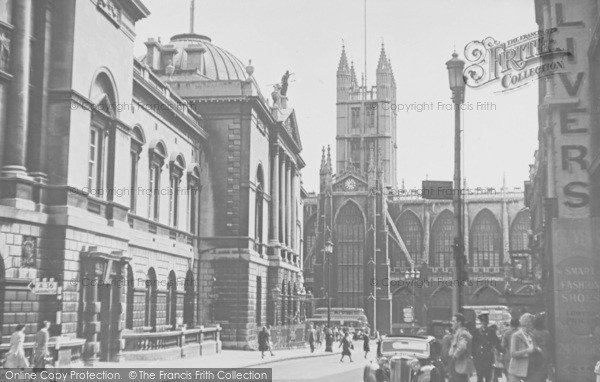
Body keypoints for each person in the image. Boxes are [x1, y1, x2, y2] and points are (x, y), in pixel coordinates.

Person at [507, 313, 539, 382]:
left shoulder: (532, 336)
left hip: (529, 370)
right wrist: (527, 351)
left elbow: (534, 349)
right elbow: (513, 353)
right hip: (516, 370)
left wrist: (537, 349)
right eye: (532, 323)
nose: (533, 326)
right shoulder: (516, 336)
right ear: (527, 324)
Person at [473, 313, 502, 382]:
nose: (484, 324)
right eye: (483, 322)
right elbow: (473, 344)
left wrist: (501, 351)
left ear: (487, 322)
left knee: (488, 377)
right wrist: (473, 355)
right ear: (481, 322)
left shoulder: (491, 332)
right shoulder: (476, 332)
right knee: (479, 377)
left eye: (486, 322)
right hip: (479, 358)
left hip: (488, 357)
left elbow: (497, 342)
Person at [448, 313, 474, 382]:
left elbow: (462, 347)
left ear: (459, 322)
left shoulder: (463, 333)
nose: (452, 323)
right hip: (458, 367)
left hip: (459, 367)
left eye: (453, 321)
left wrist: (454, 357)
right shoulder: (459, 333)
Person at [528, 315, 550, 382]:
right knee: (543, 369)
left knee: (535, 371)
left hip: (536, 352)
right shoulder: (547, 332)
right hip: (545, 351)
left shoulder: (532, 333)